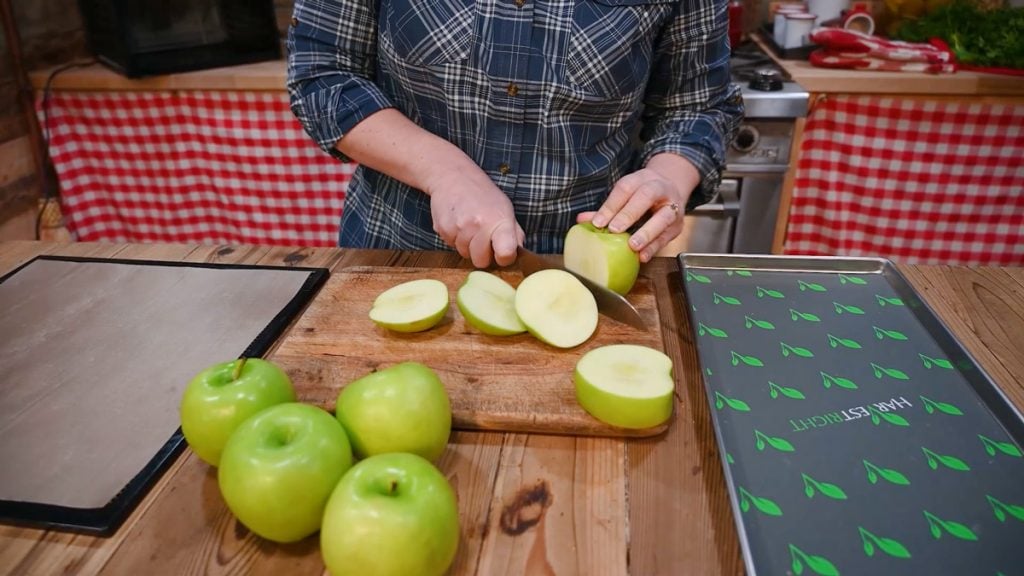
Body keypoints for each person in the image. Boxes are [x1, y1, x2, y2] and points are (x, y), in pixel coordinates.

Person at [287, 0, 743, 268]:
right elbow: (324, 75)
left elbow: (698, 105)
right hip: (402, 255)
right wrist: (447, 173)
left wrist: (668, 176)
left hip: (590, 267)